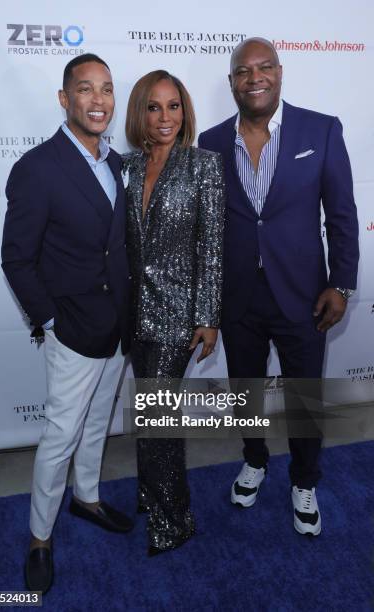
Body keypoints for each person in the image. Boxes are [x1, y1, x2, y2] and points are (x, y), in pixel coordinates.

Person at [198, 38, 359, 536]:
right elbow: (207, 229)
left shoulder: (321, 129)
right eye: (244, 71)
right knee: (245, 391)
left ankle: (304, 480)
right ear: (232, 83)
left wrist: (343, 284)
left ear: (280, 72)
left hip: (305, 296)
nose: (255, 77)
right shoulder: (210, 141)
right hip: (239, 296)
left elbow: (342, 214)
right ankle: (254, 460)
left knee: (305, 398)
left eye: (264, 66)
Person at [1, 54, 133, 594]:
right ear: (64, 99)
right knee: (60, 434)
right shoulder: (37, 167)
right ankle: (38, 537)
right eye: (86, 89)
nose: (98, 100)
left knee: (97, 423)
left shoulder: (117, 163)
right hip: (74, 330)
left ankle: (87, 498)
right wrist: (52, 319)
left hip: (118, 327)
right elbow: (16, 259)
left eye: (106, 89)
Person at [123, 70, 225, 554]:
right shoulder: (124, 167)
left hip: (177, 316)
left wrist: (207, 317)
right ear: (140, 112)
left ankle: (173, 521)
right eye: (154, 107)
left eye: (174, 106)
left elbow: (211, 247)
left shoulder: (204, 165)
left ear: (185, 112)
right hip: (132, 316)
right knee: (148, 414)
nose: (166, 117)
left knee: (159, 419)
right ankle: (150, 493)